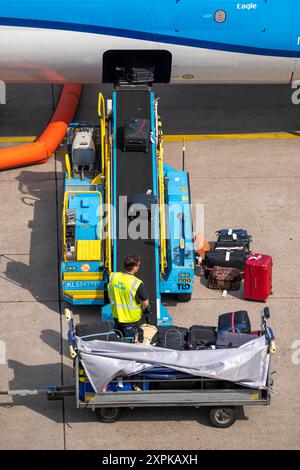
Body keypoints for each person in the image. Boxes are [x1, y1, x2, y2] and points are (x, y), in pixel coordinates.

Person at [108, 254, 151, 338]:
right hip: (131, 320)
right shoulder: (137, 283)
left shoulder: (113, 276)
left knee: (118, 340)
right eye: (138, 265)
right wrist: (144, 310)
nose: (138, 267)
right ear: (134, 267)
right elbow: (145, 303)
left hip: (117, 317)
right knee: (131, 344)